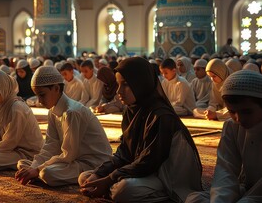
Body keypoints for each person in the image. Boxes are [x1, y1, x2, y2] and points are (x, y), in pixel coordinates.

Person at [79, 57, 202, 202]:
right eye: (118, 84)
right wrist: (101, 174)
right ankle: (110, 186)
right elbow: (125, 152)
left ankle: (164, 194)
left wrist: (109, 179)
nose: (119, 91)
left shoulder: (161, 116)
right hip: (141, 168)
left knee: (123, 190)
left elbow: (149, 162)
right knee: (86, 177)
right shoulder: (131, 110)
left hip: (164, 173)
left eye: (125, 84)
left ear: (141, 84)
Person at [15, 66, 111, 186]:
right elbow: (51, 145)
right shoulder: (52, 111)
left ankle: (40, 175)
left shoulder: (72, 112)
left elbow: (68, 154)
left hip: (91, 163)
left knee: (46, 173)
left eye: (42, 95)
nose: (39, 101)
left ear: (56, 88)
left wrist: (38, 169)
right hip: (73, 160)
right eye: (37, 96)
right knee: (23, 164)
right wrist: (35, 167)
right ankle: (38, 174)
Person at [186, 70, 262, 203]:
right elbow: (226, 169)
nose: (239, 119)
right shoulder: (231, 126)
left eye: (247, 111)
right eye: (232, 112)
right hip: (247, 188)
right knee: (194, 199)